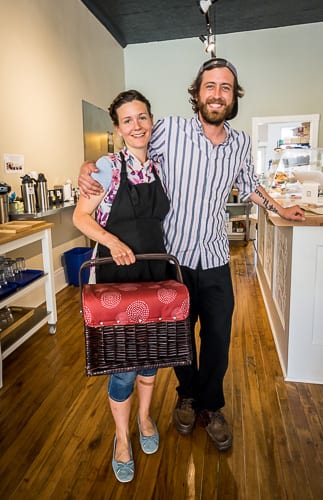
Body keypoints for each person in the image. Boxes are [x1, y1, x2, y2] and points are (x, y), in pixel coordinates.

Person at [77, 58, 305, 453]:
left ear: (233, 97)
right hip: (172, 262)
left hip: (215, 256)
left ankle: (211, 406)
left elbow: (249, 184)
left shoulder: (239, 143)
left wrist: (279, 208)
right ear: (197, 94)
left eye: (226, 88)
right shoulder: (168, 130)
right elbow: (134, 140)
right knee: (178, 335)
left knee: (217, 338)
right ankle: (185, 396)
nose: (217, 94)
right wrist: (89, 166)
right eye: (210, 86)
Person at [73, 90, 170, 483]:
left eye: (142, 117)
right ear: (117, 128)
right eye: (127, 120)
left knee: (150, 358)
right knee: (125, 366)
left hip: (155, 274)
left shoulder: (162, 166)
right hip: (117, 281)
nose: (137, 126)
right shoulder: (107, 167)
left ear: (151, 120)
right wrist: (112, 242)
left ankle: (145, 419)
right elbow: (81, 217)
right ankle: (121, 438)